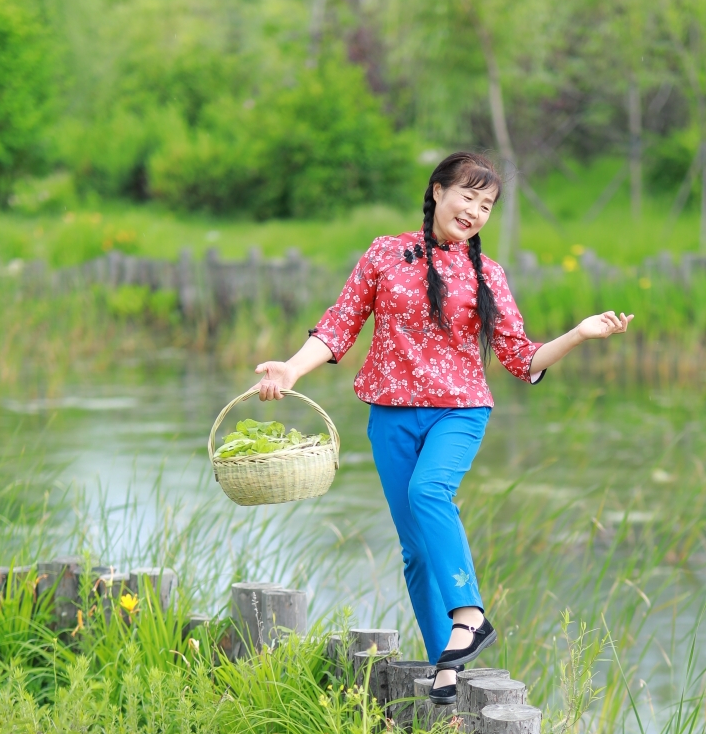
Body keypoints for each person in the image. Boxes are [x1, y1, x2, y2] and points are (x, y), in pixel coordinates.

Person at [254, 150, 632, 705]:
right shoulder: (386, 253)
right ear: (437, 192)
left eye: (487, 205)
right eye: (467, 196)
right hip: (389, 416)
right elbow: (340, 325)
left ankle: (470, 613)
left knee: (430, 491)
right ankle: (447, 667)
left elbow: (521, 359)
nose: (475, 211)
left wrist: (577, 334)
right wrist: (290, 367)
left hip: (459, 412)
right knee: (415, 551)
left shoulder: (488, 274)